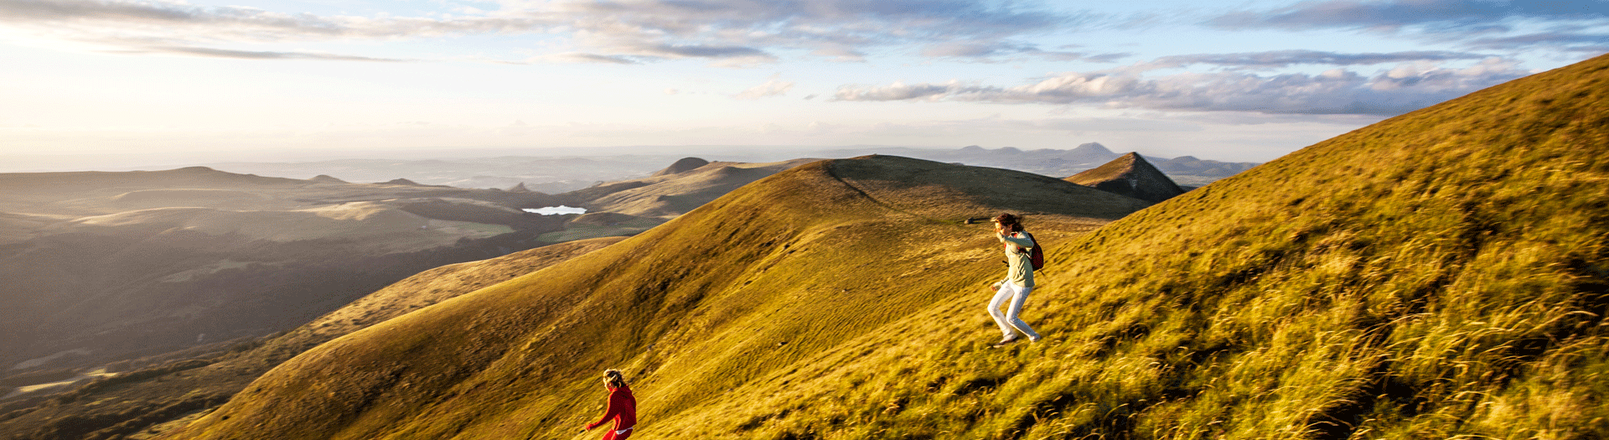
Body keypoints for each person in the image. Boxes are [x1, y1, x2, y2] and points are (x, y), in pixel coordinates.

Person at [988, 213, 1042, 347]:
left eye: (1000, 228)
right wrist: (1001, 283)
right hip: (1012, 281)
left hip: (1024, 284)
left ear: (1010, 226)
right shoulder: (1010, 238)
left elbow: (1029, 244)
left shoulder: (1022, 235)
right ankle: (1010, 336)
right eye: (997, 229)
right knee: (992, 307)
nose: (999, 232)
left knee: (1011, 318)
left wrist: (1006, 239)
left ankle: (1035, 337)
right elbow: (1013, 265)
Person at [580, 369, 637, 439]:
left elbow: (608, 416)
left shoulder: (614, 396)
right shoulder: (625, 391)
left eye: (604, 383)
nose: (604, 386)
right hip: (625, 427)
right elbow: (633, 405)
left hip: (622, 429)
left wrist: (592, 426)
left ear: (610, 383)